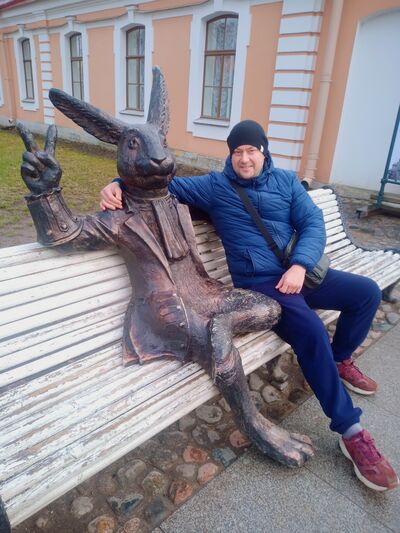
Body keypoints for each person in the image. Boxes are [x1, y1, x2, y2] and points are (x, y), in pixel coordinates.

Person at [100, 119, 399, 492]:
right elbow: (157, 182)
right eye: (237, 152)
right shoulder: (215, 186)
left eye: (251, 150)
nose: (244, 158)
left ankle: (339, 360)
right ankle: (350, 430)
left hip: (299, 272)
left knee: (366, 293)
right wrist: (116, 184)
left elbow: (312, 223)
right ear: (231, 155)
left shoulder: (286, 181)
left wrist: (299, 265)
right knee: (310, 331)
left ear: (263, 151)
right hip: (262, 285)